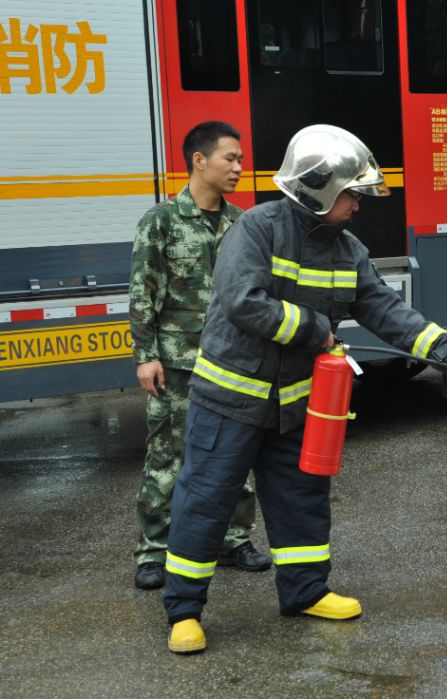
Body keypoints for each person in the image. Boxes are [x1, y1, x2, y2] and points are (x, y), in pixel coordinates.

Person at [163, 125, 447, 654]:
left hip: (293, 405)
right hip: (230, 402)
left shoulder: (347, 250)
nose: (358, 204)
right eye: (351, 193)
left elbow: (382, 307)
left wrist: (442, 349)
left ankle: (305, 593)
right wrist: (315, 330)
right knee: (207, 501)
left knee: (301, 500)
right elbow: (243, 301)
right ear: (320, 187)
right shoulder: (258, 229)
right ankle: (184, 612)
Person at [129, 121, 271, 591]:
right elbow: (142, 293)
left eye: (240, 159)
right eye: (230, 158)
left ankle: (233, 539)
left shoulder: (243, 223)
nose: (238, 167)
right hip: (177, 362)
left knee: (235, 453)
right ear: (199, 160)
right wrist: (145, 356)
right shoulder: (162, 222)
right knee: (167, 456)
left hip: (232, 363)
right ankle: (154, 551)